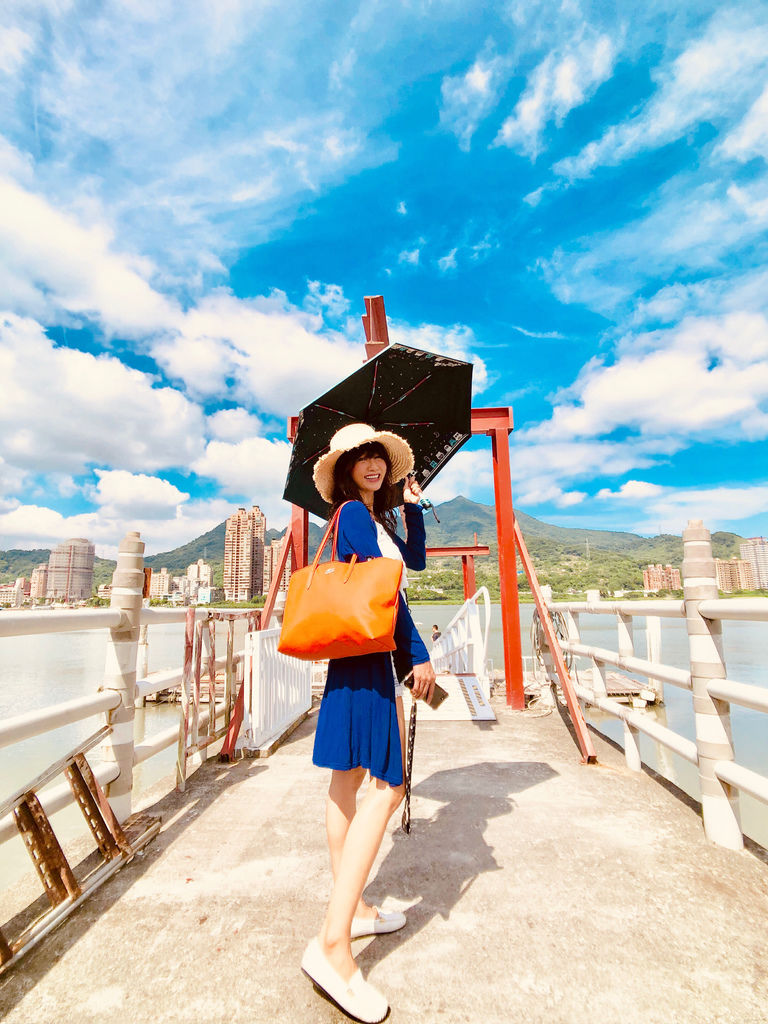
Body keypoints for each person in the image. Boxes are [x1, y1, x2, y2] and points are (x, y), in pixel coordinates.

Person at [300, 422, 435, 1024]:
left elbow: (414, 564)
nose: (374, 465)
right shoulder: (353, 515)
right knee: (389, 786)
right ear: (347, 470)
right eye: (362, 458)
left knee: (348, 780)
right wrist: (418, 656)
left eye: (379, 457)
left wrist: (413, 512)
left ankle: (350, 915)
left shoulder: (372, 521)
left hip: (355, 663)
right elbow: (392, 599)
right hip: (369, 661)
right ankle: (332, 944)